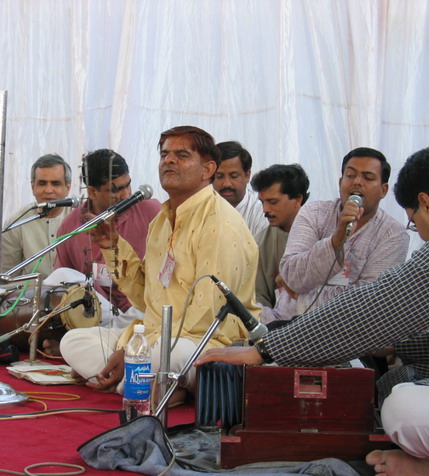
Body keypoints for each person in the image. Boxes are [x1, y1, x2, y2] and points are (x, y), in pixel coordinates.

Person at [195, 145, 429, 476]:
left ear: (426, 204)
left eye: (414, 223)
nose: (421, 235)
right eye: (350, 175)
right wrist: (398, 344)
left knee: (405, 409)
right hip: (312, 326)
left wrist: (265, 350)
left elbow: (376, 306)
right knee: (400, 382)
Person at [59, 126, 260, 399]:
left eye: (182, 155)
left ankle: (137, 380)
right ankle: (154, 384)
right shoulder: (162, 221)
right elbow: (147, 296)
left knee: (171, 355)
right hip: (156, 336)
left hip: (209, 342)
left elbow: (205, 318)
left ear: (208, 169)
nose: (169, 161)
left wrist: (133, 350)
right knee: (74, 341)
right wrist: (112, 246)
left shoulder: (219, 224)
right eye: (165, 155)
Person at [261, 147, 409, 324]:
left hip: (343, 334)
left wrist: (301, 296)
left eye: (368, 178)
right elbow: (292, 275)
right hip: (283, 323)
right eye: (350, 175)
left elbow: (367, 304)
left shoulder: (393, 234)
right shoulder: (314, 213)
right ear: (340, 183)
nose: (357, 182)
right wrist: (336, 240)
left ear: (383, 190)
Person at [52, 149, 161, 331]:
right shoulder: (71, 227)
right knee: (60, 275)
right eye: (116, 189)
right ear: (92, 192)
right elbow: (66, 288)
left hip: (141, 308)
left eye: (128, 185)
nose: (126, 195)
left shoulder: (151, 212)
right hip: (97, 314)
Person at [0, 153, 72, 278]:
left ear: (67, 188)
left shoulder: (82, 220)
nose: (48, 190)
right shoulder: (16, 223)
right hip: (31, 289)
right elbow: (7, 278)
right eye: (42, 183)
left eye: (55, 183)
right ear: (33, 187)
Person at [250, 164, 310, 308]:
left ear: (298, 200)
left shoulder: (323, 233)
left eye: (273, 202)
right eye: (262, 202)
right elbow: (258, 296)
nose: (265, 209)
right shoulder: (260, 242)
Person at [213, 141, 268, 237]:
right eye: (219, 176)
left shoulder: (261, 209)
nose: (226, 184)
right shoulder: (202, 208)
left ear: (247, 175)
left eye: (234, 176)